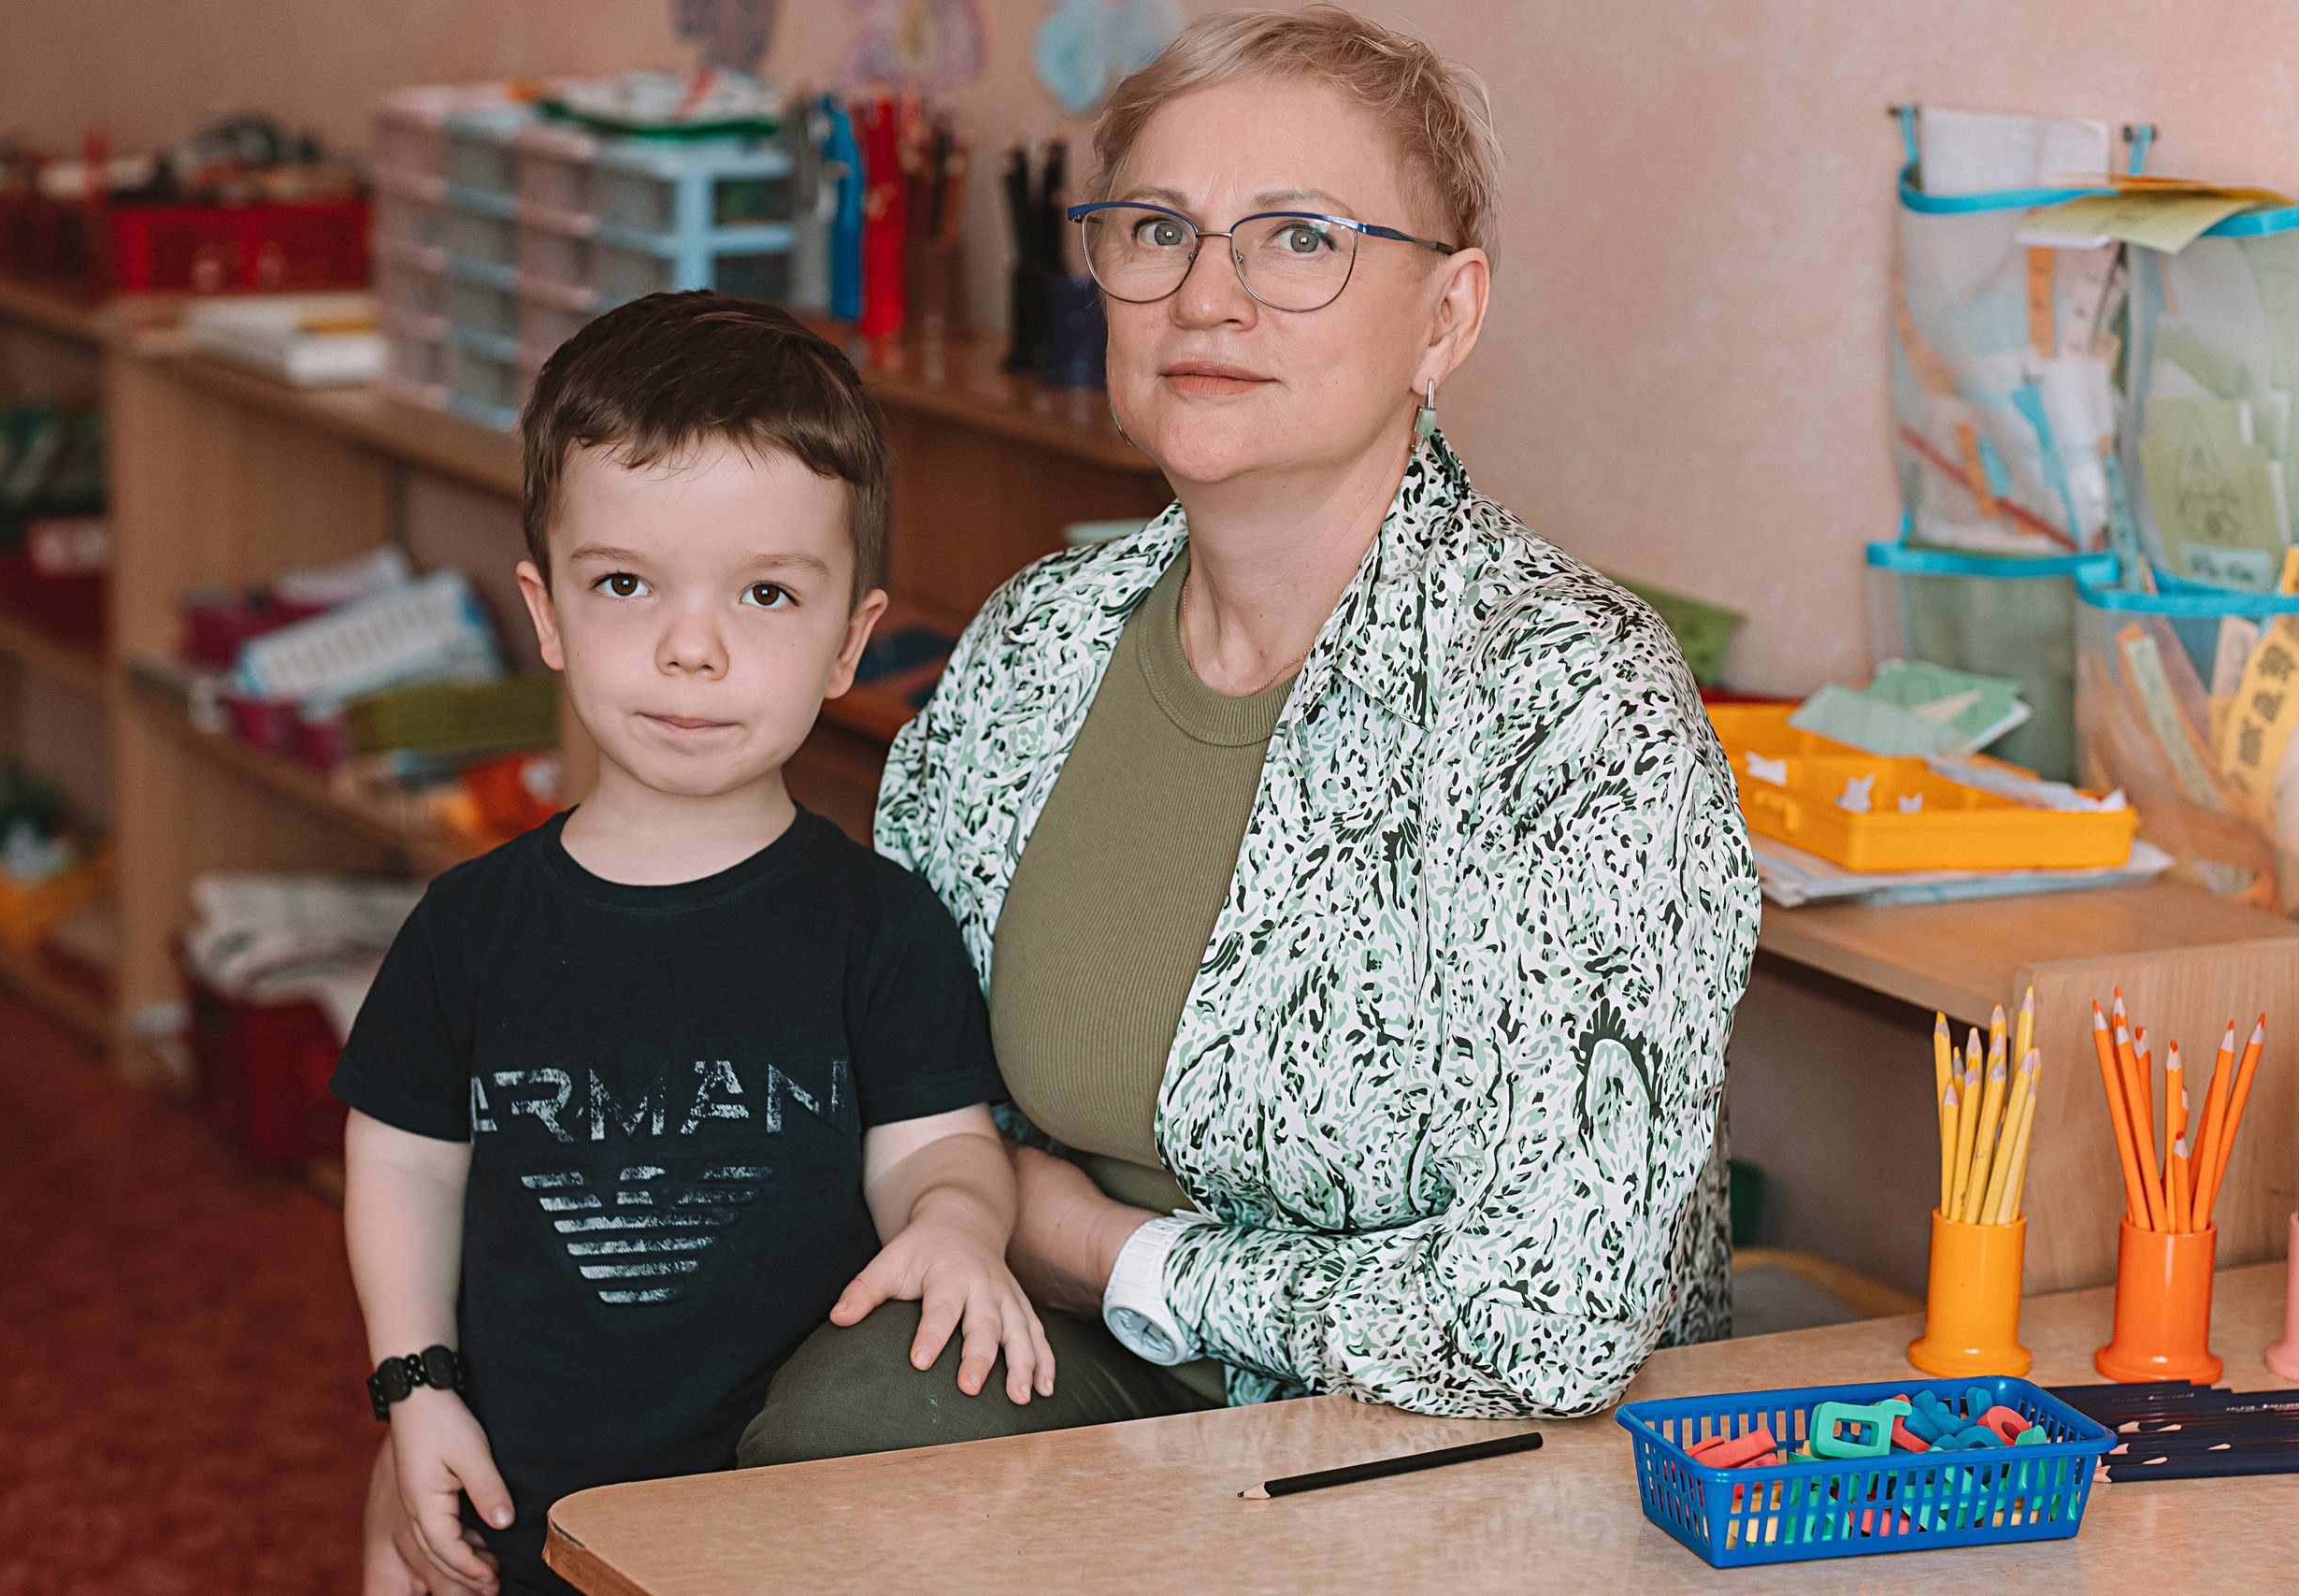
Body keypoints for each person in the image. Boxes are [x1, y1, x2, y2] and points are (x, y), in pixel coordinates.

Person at [739, 5, 1760, 1464]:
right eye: (1156, 230)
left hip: (1450, 1429)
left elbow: (1551, 1318)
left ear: (1446, 317)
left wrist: (1115, 1255)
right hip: (1070, 1353)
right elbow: (900, 1063)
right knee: (796, 1461)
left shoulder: (1575, 702)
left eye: (1298, 239)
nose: (1206, 298)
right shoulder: (1038, 642)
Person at [338, 293, 1052, 1596]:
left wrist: (956, 1225)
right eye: (624, 583)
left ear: (851, 640)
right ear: (545, 610)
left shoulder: (878, 928)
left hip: (783, 1533)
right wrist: (414, 1390)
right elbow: (403, 1162)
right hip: (512, 1507)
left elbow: (939, 1146)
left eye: (767, 594)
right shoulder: (469, 928)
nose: (691, 647)